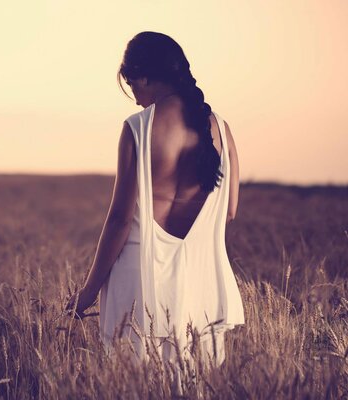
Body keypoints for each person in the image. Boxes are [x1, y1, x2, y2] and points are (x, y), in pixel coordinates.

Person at [64, 32, 245, 371]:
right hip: (199, 283)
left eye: (131, 84)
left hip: (139, 279)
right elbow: (229, 211)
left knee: (137, 384)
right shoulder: (222, 129)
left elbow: (119, 220)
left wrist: (88, 292)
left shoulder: (137, 128)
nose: (134, 99)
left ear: (145, 76)